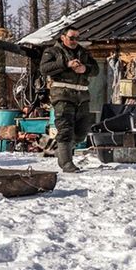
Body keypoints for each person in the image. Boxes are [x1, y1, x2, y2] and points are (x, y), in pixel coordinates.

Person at [39, 26, 99, 173]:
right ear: (63, 37)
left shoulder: (83, 52)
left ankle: (61, 152)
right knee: (65, 129)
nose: (74, 41)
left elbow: (96, 69)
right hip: (62, 94)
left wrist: (85, 69)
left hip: (82, 95)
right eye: (72, 38)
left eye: (77, 38)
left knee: (82, 131)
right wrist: (66, 64)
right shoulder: (52, 51)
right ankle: (66, 163)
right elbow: (44, 69)